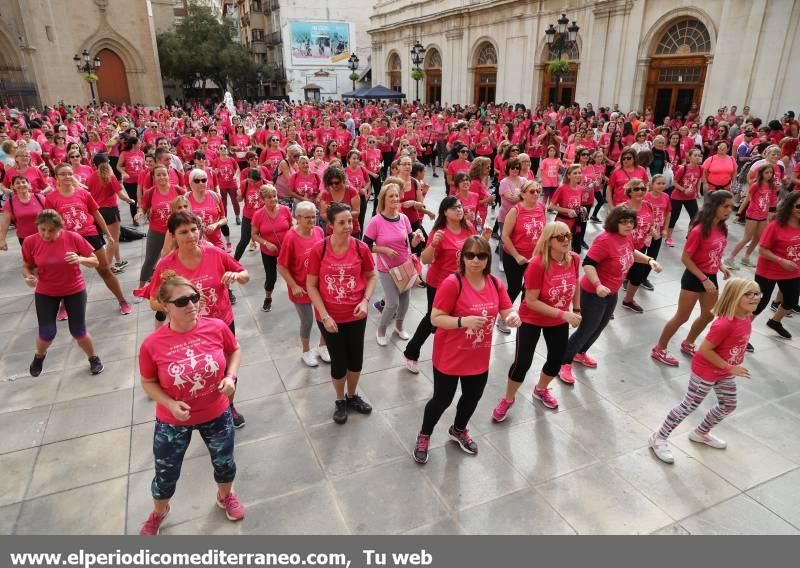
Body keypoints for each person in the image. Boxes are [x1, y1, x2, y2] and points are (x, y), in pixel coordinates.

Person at [138, 275, 244, 535]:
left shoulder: (217, 327)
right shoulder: (152, 345)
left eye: (194, 297)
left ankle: (225, 496)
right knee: (165, 472)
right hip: (173, 421)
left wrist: (230, 377)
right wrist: (170, 404)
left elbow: (235, 350)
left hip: (216, 412)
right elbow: (148, 382)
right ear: (165, 306)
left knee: (224, 462)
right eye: (182, 300)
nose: (191, 304)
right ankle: (160, 511)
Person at [413, 236, 520, 463]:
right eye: (470, 255)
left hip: (478, 355)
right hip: (450, 355)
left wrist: (512, 317)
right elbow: (436, 317)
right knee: (442, 400)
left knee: (472, 397)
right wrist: (463, 321)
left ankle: (459, 429)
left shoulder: (494, 283)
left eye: (481, 256)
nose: (475, 260)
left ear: (488, 259)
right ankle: (425, 434)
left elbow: (507, 308)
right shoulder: (453, 283)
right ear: (462, 257)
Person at [150, 211, 250, 428]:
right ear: (173, 235)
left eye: (194, 229)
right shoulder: (166, 266)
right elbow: (153, 301)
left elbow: (245, 274)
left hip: (221, 323)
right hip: (186, 329)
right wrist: (177, 302)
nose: (191, 235)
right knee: (197, 370)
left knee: (225, 368)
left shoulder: (215, 253)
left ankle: (228, 406)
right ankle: (197, 408)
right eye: (183, 232)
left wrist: (237, 276)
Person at [648, 278, 760, 464]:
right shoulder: (724, 324)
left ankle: (701, 432)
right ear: (734, 297)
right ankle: (658, 437)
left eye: (757, 293)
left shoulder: (746, 316)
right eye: (748, 294)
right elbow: (704, 350)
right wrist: (730, 366)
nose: (754, 297)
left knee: (728, 404)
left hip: (724, 372)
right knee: (689, 405)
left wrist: (734, 361)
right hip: (706, 372)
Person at [559, 206, 662, 384]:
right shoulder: (604, 240)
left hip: (611, 292)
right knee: (587, 327)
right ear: (614, 222)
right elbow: (588, 263)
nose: (628, 225)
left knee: (600, 325)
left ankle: (580, 353)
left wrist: (649, 260)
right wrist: (598, 285)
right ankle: (563, 362)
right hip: (593, 292)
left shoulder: (627, 237)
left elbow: (630, 252)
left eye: (630, 222)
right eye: (623, 222)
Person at [493, 222, 581, 418]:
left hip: (558, 320)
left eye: (567, 235)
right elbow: (530, 301)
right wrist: (563, 314)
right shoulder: (537, 264)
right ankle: (508, 398)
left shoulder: (574, 259)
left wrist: (576, 309)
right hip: (532, 319)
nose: (565, 240)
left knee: (556, 360)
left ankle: (541, 389)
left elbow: (575, 283)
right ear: (548, 241)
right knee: (522, 362)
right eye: (559, 237)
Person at [306, 202, 377, 424]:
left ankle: (352, 395)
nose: (348, 226)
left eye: (350, 221)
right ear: (330, 225)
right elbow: (311, 285)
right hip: (329, 317)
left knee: (355, 360)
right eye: (342, 222)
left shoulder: (360, 248)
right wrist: (324, 315)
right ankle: (339, 400)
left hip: (356, 314)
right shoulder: (320, 249)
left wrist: (365, 301)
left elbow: (372, 276)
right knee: (339, 361)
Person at [403, 196, 491, 374]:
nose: (459, 210)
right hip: (440, 284)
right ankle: (411, 352)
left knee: (455, 320)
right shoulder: (439, 231)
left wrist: (485, 238)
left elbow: (476, 254)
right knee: (432, 320)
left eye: (459, 206)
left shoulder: (468, 227)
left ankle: (453, 354)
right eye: (454, 208)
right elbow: (426, 259)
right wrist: (434, 244)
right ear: (445, 212)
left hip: (463, 283)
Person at [651, 191, 734, 366]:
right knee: (682, 317)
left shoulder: (721, 227)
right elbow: (686, 259)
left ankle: (688, 342)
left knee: (708, 315)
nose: (729, 210)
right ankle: (659, 348)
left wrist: (722, 266)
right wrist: (704, 279)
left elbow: (715, 252)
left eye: (730, 206)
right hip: (694, 278)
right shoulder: (698, 230)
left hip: (710, 276)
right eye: (725, 206)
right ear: (714, 206)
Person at [21, 210, 104, 377]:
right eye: (42, 229)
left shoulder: (73, 237)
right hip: (46, 291)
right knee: (47, 333)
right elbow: (27, 265)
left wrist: (81, 259)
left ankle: (93, 358)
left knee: (78, 331)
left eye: (51, 230)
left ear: (60, 228)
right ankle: (39, 356)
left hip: (74, 289)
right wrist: (28, 277)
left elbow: (95, 261)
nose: (46, 234)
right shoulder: (30, 242)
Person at [44, 163, 132, 315]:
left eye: (69, 173)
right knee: (66, 274)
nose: (67, 177)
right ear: (56, 178)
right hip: (67, 239)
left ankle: (122, 300)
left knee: (104, 270)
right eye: (63, 174)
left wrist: (108, 235)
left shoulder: (83, 194)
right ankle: (64, 305)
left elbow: (97, 215)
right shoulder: (51, 198)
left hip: (90, 235)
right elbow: (50, 222)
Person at [363, 182, 424, 345]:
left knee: (405, 302)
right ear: (383, 199)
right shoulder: (376, 221)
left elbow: (410, 240)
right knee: (392, 303)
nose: (395, 199)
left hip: (405, 266)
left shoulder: (403, 218)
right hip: (387, 269)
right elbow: (366, 245)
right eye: (391, 196)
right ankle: (381, 330)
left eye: (397, 195)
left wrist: (416, 240)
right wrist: (384, 250)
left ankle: (399, 327)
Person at [277, 200, 330, 367]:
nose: (311, 221)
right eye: (307, 217)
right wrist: (293, 285)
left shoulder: (319, 232)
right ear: (297, 218)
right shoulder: (291, 237)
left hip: (319, 285)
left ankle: (323, 347)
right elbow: (282, 266)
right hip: (300, 287)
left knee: (324, 317)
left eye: (313, 217)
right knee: (307, 321)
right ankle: (306, 351)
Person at [752, 191, 800, 339]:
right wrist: (781, 261)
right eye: (799, 206)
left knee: (791, 301)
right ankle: (740, 333)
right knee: (758, 305)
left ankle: (775, 322)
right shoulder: (776, 225)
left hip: (792, 272)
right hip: (768, 271)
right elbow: (762, 249)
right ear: (789, 207)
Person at [136, 164, 185, 287]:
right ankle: (141, 288)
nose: (162, 177)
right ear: (154, 177)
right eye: (158, 175)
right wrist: (140, 213)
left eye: (164, 174)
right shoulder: (150, 192)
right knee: (150, 260)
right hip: (156, 231)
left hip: (176, 231)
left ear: (169, 175)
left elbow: (188, 204)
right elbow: (143, 207)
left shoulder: (178, 190)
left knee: (180, 259)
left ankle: (181, 285)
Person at [501, 179, 546, 306]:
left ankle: (524, 318)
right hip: (514, 258)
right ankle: (504, 317)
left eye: (538, 191)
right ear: (523, 194)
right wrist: (516, 256)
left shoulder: (542, 207)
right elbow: (505, 235)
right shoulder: (515, 211)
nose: (536, 194)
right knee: (514, 288)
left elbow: (544, 233)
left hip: (534, 258)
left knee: (530, 290)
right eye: (532, 191)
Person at [87, 155, 134, 273]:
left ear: (94, 165)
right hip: (110, 210)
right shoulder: (110, 176)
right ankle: (108, 267)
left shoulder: (90, 177)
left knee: (112, 239)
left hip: (97, 211)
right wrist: (131, 201)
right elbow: (121, 195)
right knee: (113, 240)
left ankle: (118, 260)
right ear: (108, 162)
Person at [251, 184, 293, 313]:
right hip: (268, 251)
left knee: (293, 273)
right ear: (263, 199)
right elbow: (254, 234)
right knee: (271, 278)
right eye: (269, 197)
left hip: (286, 249)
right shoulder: (258, 214)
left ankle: (298, 296)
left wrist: (290, 241)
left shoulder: (286, 210)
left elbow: (291, 227)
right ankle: (268, 298)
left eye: (274, 196)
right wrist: (266, 243)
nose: (273, 199)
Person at [726, 164, 775, 269]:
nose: (769, 175)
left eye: (771, 173)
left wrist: (771, 215)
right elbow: (747, 199)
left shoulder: (772, 186)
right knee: (747, 238)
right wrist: (739, 214)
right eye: (767, 172)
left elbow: (772, 202)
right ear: (761, 173)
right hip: (753, 214)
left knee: (757, 238)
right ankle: (730, 259)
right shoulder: (756, 185)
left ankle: (746, 258)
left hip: (763, 215)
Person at [620, 179, 657, 313]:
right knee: (615, 276)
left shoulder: (648, 205)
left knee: (638, 275)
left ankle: (628, 300)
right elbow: (611, 228)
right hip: (622, 248)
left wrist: (651, 230)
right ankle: (605, 306)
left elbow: (650, 222)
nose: (640, 191)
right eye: (636, 189)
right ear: (629, 192)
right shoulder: (623, 208)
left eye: (643, 189)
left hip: (640, 248)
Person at [666, 148, 703, 247]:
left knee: (695, 216)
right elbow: (674, 182)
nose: (697, 157)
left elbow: (699, 180)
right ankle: (668, 237)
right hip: (677, 196)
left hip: (690, 197)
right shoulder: (683, 168)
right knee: (674, 217)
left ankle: (690, 235)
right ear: (689, 157)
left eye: (699, 155)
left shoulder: (700, 168)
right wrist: (683, 190)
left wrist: (698, 191)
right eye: (695, 155)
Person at [0, 176, 45, 250]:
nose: (21, 184)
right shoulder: (9, 203)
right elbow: (5, 223)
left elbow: (52, 216)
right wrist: (2, 240)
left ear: (29, 184)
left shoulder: (40, 198)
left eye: (23, 182)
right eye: (17, 183)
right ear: (13, 187)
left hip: (44, 236)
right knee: (30, 261)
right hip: (24, 239)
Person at [551, 164, 585, 255]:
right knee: (559, 249)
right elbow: (551, 206)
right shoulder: (562, 188)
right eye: (575, 173)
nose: (578, 175)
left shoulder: (580, 188)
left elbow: (577, 205)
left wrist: (580, 210)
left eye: (579, 173)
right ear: (569, 176)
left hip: (575, 223)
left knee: (577, 249)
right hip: (562, 223)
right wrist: (567, 210)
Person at [232, 167, 264, 260]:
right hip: (248, 216)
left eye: (256, 182)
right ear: (248, 177)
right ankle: (234, 261)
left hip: (262, 216)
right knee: (244, 240)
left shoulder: (264, 183)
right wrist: (238, 194)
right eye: (252, 181)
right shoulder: (244, 183)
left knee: (267, 239)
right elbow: (240, 199)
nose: (253, 183)